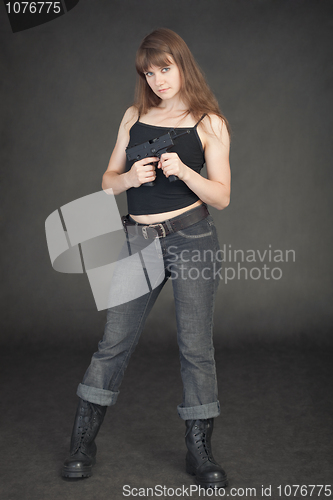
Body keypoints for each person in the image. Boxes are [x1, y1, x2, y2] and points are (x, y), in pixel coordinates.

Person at [61, 28, 231, 490]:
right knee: (113, 342)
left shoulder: (208, 121)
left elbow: (222, 196)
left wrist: (186, 173)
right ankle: (82, 442)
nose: (157, 79)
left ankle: (200, 447)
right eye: (149, 71)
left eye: (165, 68)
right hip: (137, 239)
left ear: (182, 65)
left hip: (191, 237)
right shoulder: (134, 115)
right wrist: (130, 177)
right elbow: (106, 182)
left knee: (196, 348)